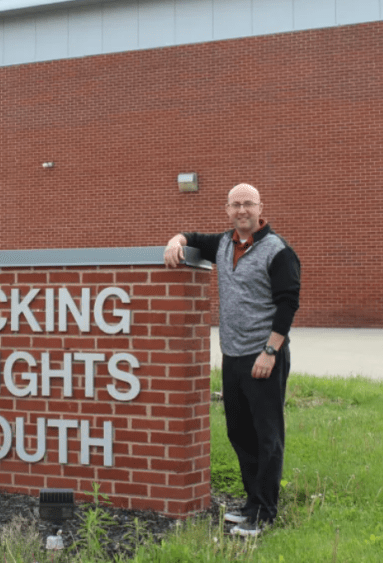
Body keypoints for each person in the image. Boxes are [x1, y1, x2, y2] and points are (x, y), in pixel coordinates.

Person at [164, 183, 300, 536]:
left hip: (263, 356)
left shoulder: (278, 251)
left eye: (248, 204)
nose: (242, 210)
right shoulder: (223, 244)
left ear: (260, 208)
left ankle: (265, 514)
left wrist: (270, 351)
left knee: (267, 435)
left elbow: (288, 304)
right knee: (240, 433)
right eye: (235, 204)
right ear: (227, 210)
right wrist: (176, 240)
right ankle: (252, 504)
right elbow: (193, 237)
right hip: (233, 356)